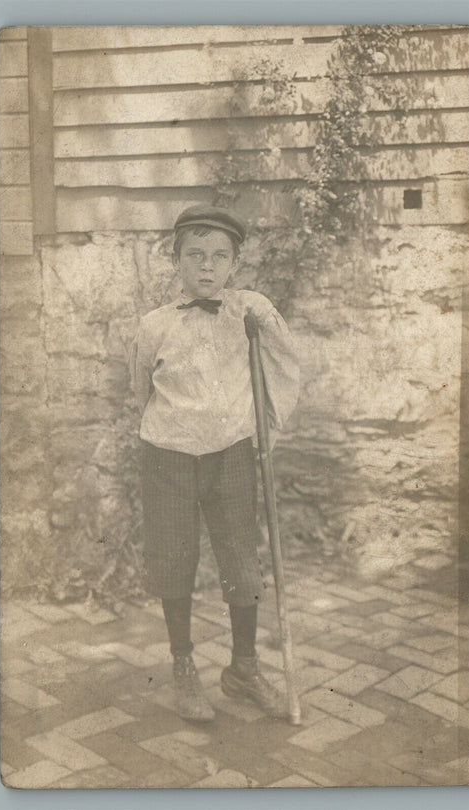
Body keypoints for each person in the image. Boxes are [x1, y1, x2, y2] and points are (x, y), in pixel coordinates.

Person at [129, 204, 300, 722]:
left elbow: (283, 363)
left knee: (241, 562)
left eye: (219, 257)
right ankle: (184, 666)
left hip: (229, 454)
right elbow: (141, 392)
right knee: (174, 559)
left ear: (234, 264)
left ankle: (243, 668)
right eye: (195, 256)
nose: (207, 267)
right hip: (168, 459)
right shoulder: (153, 325)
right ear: (176, 261)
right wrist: (175, 433)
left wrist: (266, 428)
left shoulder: (246, 314)